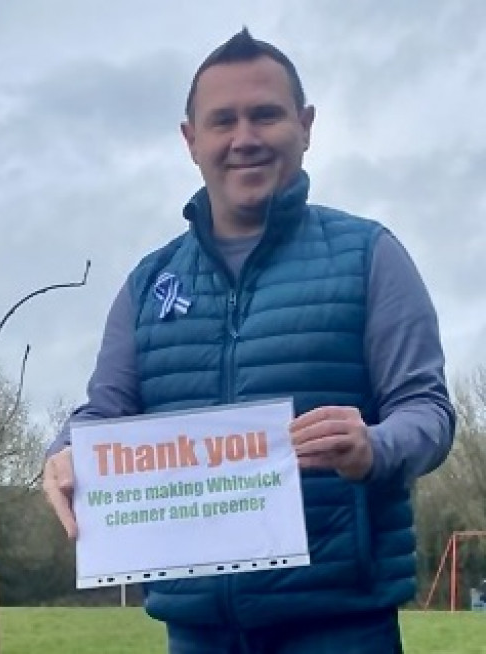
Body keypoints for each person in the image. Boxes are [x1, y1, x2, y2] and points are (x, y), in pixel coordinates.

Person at [43, 28, 454, 654]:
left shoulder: (371, 256)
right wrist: (69, 451)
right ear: (191, 140)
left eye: (265, 115)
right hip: (198, 629)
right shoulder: (148, 282)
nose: (245, 139)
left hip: (341, 623)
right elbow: (105, 410)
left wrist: (373, 445)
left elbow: (428, 412)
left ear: (305, 125)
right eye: (222, 121)